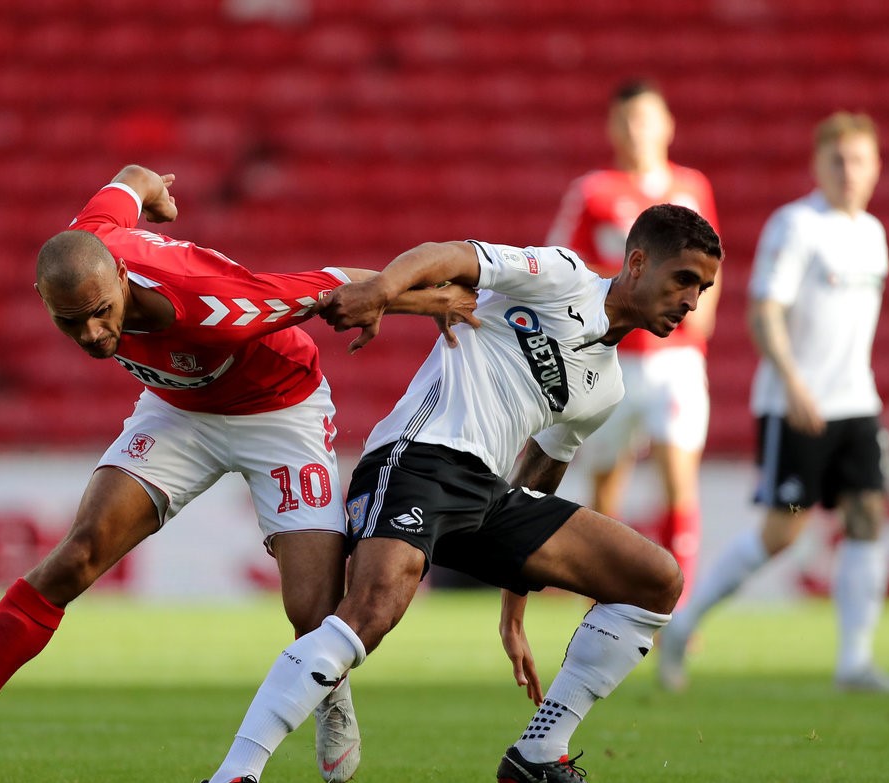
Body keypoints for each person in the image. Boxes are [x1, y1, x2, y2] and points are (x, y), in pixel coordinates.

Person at [0, 164, 478, 782]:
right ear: (43, 299)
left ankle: (332, 694)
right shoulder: (88, 240)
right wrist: (154, 191)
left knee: (313, 610)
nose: (92, 334)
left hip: (279, 411)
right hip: (177, 410)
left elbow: (334, 285)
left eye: (101, 313)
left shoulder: (215, 308)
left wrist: (431, 300)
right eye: (70, 321)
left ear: (123, 277)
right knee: (78, 554)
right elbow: (131, 177)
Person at [197, 203, 722, 783]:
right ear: (638, 263)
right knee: (371, 611)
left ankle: (539, 753)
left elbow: (540, 478)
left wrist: (513, 608)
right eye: (684, 280)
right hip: (420, 455)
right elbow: (446, 256)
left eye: (702, 288)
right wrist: (381, 290)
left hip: (489, 497)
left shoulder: (607, 388)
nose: (692, 301)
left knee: (655, 579)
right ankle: (236, 774)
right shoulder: (564, 276)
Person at [657, 112, 889, 696]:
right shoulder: (797, 226)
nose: (848, 172)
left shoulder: (872, 234)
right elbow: (763, 310)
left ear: (876, 168)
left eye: (858, 161)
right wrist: (795, 383)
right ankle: (684, 625)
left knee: (867, 515)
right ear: (818, 165)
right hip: (795, 402)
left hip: (856, 401)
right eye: (837, 160)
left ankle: (855, 662)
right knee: (783, 533)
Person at [547, 79, 722, 603]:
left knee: (679, 482)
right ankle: (606, 601)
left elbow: (714, 264)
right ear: (611, 128)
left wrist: (696, 311)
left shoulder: (692, 189)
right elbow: (564, 268)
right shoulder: (593, 191)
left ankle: (677, 612)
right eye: (625, 120)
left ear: (668, 124)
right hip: (613, 359)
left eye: (645, 118)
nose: (636, 130)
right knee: (606, 490)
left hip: (677, 360)